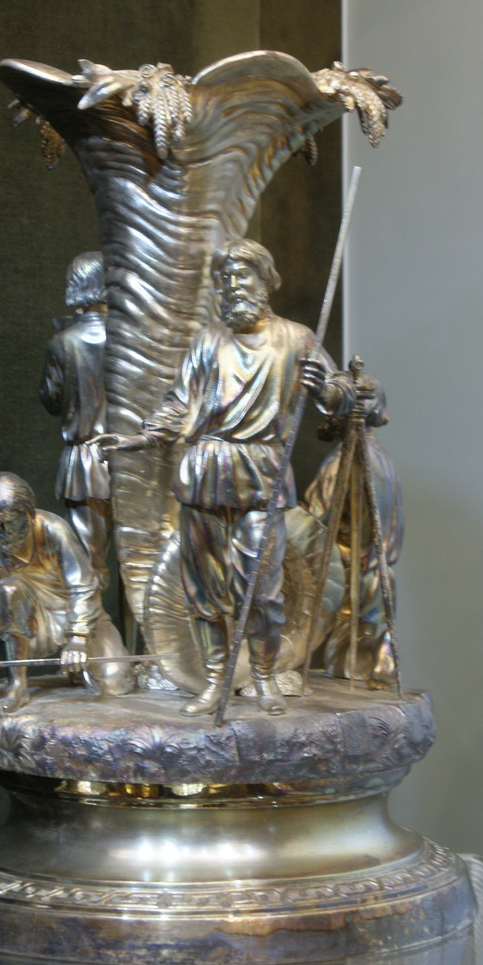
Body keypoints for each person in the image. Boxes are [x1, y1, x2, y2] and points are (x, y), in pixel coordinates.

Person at [95, 238, 355, 717]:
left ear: (266, 280)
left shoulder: (297, 339)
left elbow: (340, 394)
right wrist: (138, 439)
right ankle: (215, 681)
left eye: (242, 275)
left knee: (261, 590)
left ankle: (263, 676)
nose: (232, 285)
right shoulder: (208, 340)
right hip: (204, 474)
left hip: (261, 476)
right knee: (204, 590)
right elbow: (180, 402)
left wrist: (330, 391)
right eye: (225, 278)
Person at [0, 472, 131, 710]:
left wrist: (78, 639)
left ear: (29, 515)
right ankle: (17, 685)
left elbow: (83, 585)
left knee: (116, 682)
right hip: (28, 625)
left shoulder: (53, 530)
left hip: (78, 618)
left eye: (14, 521)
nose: (7, 531)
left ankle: (73, 673)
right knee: (9, 589)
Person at [304, 374, 404, 686]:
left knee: (343, 657)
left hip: (348, 572)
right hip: (378, 570)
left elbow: (316, 517)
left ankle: (374, 659)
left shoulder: (345, 460)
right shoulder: (383, 459)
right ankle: (376, 657)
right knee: (358, 643)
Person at [39, 252, 112, 589]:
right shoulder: (128, 338)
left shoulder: (63, 342)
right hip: (129, 458)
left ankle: (90, 622)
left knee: (87, 561)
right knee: (139, 559)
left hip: (84, 464)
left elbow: (52, 401)